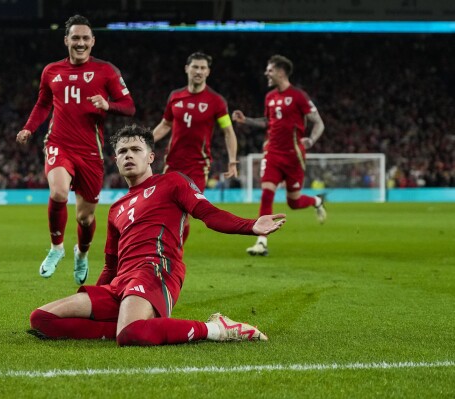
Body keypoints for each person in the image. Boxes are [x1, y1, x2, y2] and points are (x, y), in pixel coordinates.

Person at [28, 124, 286, 346]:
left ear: (151, 156)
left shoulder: (172, 182)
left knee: (131, 336)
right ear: (116, 161)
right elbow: (111, 265)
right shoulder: (116, 208)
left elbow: (208, 214)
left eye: (136, 150)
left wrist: (251, 225)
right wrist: (96, 295)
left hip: (156, 270)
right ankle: (129, 325)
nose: (129, 155)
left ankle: (217, 328)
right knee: (42, 319)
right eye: (122, 152)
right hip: (120, 283)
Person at [16, 15, 135, 284]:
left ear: (92, 41)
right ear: (66, 40)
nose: (80, 43)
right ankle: (56, 248)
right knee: (58, 192)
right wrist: (29, 128)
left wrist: (108, 106)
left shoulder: (107, 71)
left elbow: (129, 106)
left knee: (85, 218)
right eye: (75, 38)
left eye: (85, 38)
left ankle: (81, 253)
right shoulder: (51, 71)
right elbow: (43, 104)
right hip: (58, 143)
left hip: (90, 152)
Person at [232, 54, 326, 257]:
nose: (266, 73)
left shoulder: (299, 96)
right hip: (273, 153)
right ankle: (261, 242)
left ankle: (316, 201)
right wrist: (246, 120)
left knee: (294, 202)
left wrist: (311, 140)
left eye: (270, 70)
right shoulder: (270, 97)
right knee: (267, 194)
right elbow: (268, 122)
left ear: (281, 72)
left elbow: (318, 122)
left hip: (294, 157)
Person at [152, 52, 239, 241]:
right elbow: (166, 124)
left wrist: (233, 161)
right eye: (195, 67)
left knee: (184, 212)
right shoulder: (175, 96)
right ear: (187, 69)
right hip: (172, 163)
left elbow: (228, 131)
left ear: (208, 72)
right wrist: (146, 141)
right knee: (167, 211)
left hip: (198, 166)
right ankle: (167, 250)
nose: (198, 71)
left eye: (202, 68)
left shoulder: (216, 101)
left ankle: (174, 254)